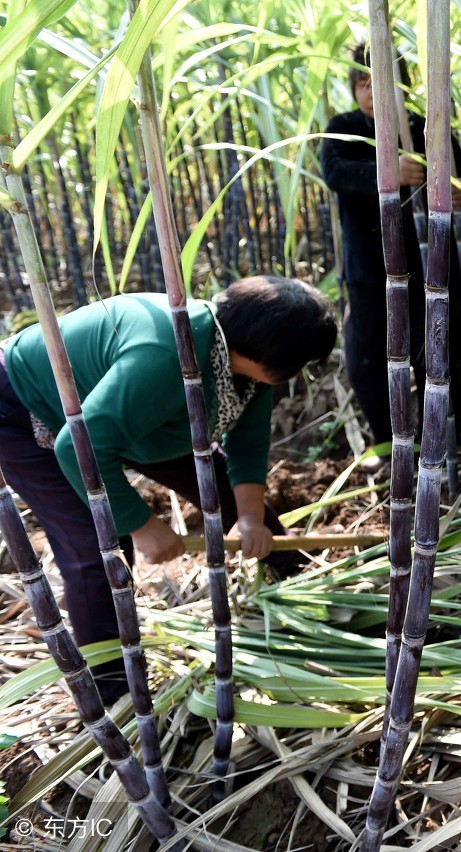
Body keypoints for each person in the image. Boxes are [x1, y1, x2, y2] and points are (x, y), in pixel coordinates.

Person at [0, 276, 338, 703]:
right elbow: (78, 445)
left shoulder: (243, 368)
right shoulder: (167, 355)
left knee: (224, 489)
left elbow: (247, 447)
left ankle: (299, 587)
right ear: (275, 353)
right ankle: (111, 690)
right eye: (300, 363)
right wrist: (142, 525)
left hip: (135, 418)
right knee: (97, 545)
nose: (297, 375)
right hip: (31, 406)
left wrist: (250, 519)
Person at [321, 43, 461, 470]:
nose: (370, 90)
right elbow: (335, 172)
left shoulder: (424, 126)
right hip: (371, 271)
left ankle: (444, 442)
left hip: (432, 270)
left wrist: (441, 182)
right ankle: (389, 443)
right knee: (366, 358)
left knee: (440, 355)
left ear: (402, 84)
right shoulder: (344, 128)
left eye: (380, 81)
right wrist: (387, 169)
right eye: (362, 82)